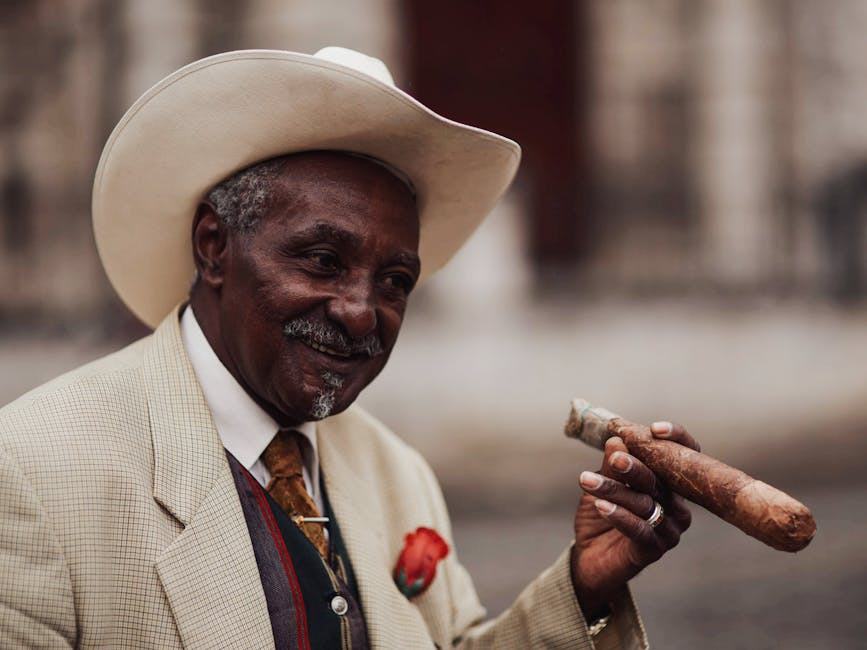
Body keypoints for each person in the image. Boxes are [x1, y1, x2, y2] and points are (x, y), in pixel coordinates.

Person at [0, 47, 697, 649]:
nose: (362, 313)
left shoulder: (394, 472)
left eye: (394, 281)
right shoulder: (33, 469)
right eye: (322, 261)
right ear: (214, 246)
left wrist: (583, 587)